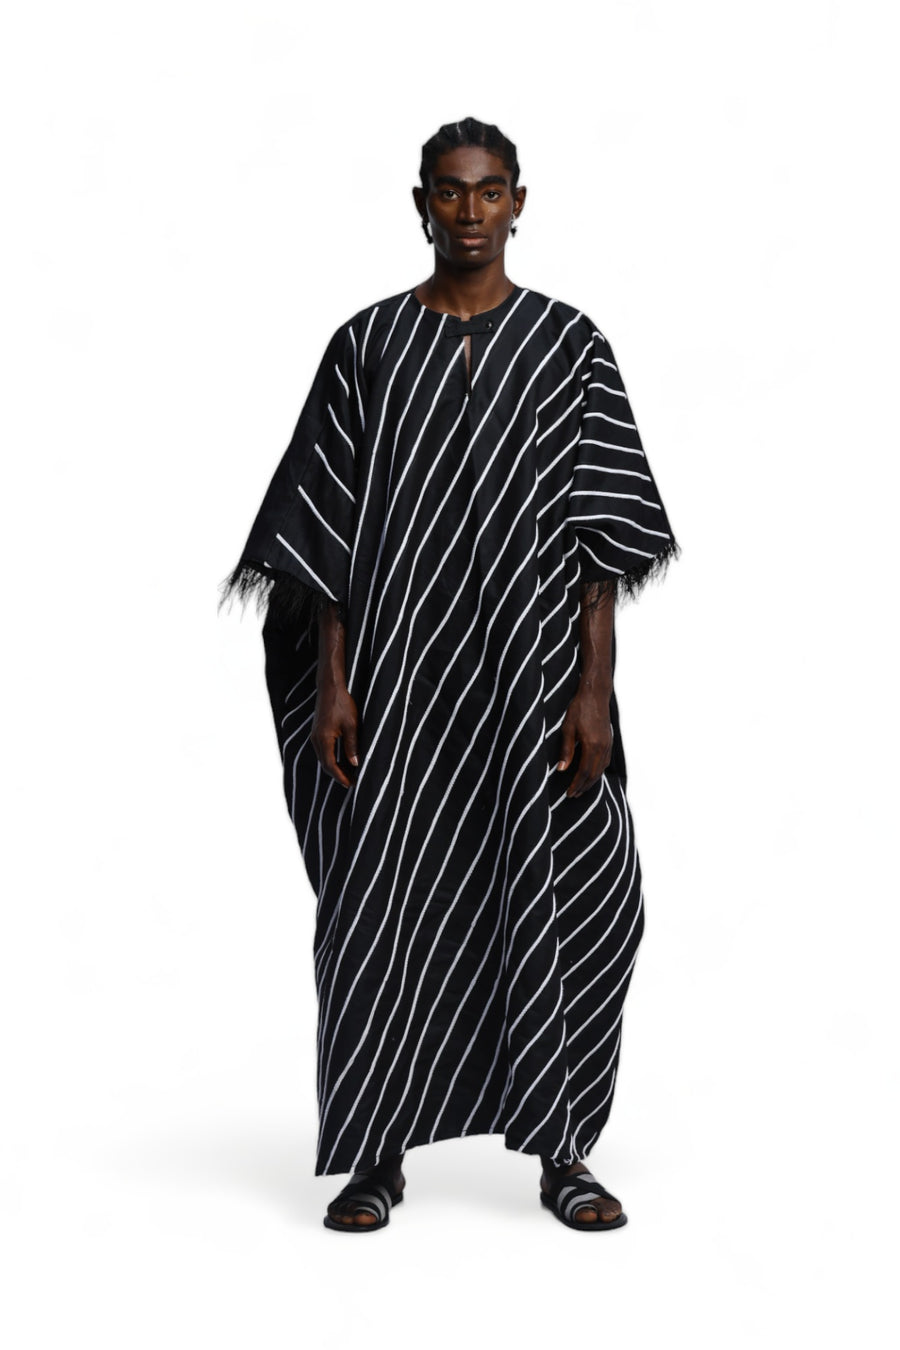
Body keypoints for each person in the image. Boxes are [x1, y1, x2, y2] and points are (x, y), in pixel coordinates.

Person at [218, 116, 681, 1234]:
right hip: (401, 681)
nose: (469, 211)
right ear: (420, 204)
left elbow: (602, 543)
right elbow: (327, 538)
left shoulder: (568, 346)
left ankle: (562, 1151)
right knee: (382, 902)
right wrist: (334, 685)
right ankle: (374, 1152)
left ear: (520, 202)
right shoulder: (368, 346)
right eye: (449, 191)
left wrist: (591, 693)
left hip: (532, 679)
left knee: (573, 892)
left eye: (488, 191)